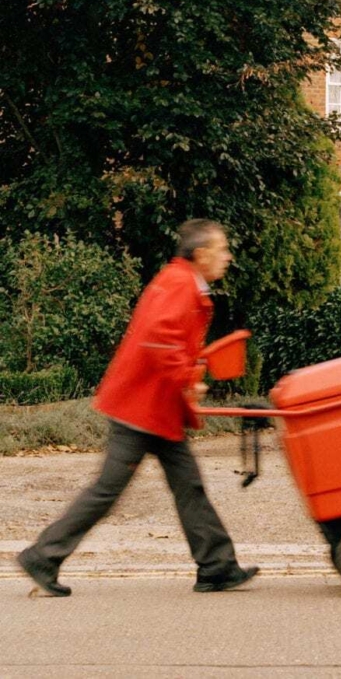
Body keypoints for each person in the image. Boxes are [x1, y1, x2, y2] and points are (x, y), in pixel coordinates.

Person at [17, 219, 259, 596]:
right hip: (141, 409)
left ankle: (217, 566)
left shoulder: (183, 282)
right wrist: (187, 377)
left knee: (189, 485)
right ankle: (43, 555)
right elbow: (159, 339)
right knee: (107, 491)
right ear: (200, 254)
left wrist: (187, 375)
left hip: (156, 408)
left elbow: (168, 340)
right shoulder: (180, 283)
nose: (227, 257)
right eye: (222, 249)